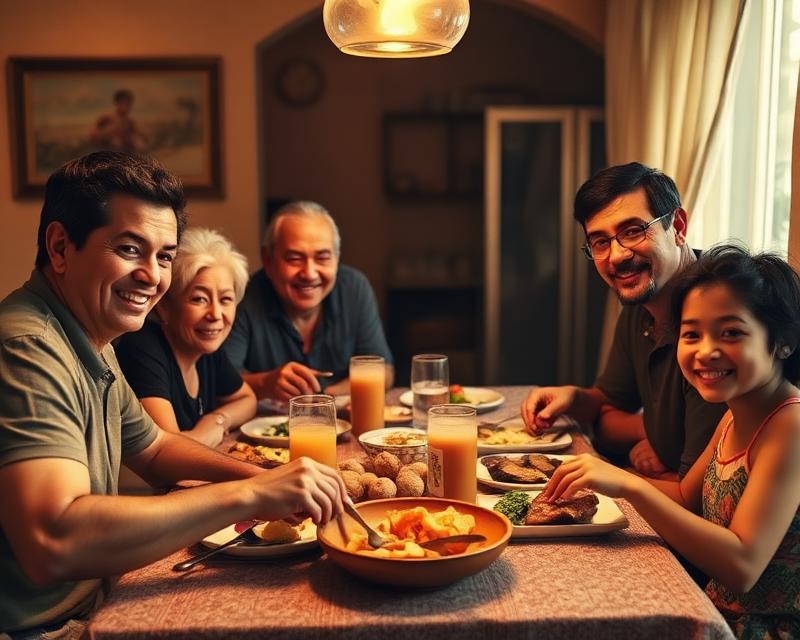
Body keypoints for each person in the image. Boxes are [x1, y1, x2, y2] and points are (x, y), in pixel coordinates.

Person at [0, 152, 345, 636]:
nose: (153, 275)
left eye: (164, 256)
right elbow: (53, 541)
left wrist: (268, 477)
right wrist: (249, 493)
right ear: (60, 247)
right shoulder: (29, 346)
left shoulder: (91, 340)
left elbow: (156, 448)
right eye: (129, 249)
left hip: (95, 603)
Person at [543, 245, 800, 637]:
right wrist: (605, 475)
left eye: (731, 332)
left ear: (782, 342)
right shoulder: (734, 416)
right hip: (712, 612)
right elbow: (684, 498)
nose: (706, 351)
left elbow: (743, 566)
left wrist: (629, 484)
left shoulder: (790, 424)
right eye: (691, 334)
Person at [521, 162, 726, 479]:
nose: (616, 256)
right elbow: (606, 412)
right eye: (601, 242)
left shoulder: (719, 312)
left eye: (633, 231)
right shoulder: (642, 301)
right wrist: (575, 397)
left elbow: (696, 493)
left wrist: (643, 456)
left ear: (679, 227)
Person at [223, 200, 394, 401]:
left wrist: (324, 399)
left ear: (337, 259)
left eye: (322, 258)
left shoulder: (354, 288)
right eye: (295, 258)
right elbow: (217, 382)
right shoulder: (241, 297)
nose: (310, 274)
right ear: (268, 260)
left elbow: (384, 371)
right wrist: (265, 383)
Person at [116, 228, 256, 448]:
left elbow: (247, 400)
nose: (216, 315)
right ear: (164, 306)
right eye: (199, 299)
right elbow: (170, 450)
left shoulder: (205, 348)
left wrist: (216, 421)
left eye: (226, 299)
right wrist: (202, 437)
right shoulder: (141, 348)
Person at [89, 89, 145, 153]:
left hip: (124, 154)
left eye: (129, 104)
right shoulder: (107, 118)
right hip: (107, 152)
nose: (126, 107)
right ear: (117, 103)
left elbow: (135, 138)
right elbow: (93, 134)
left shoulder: (130, 122)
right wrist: (108, 132)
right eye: (124, 103)